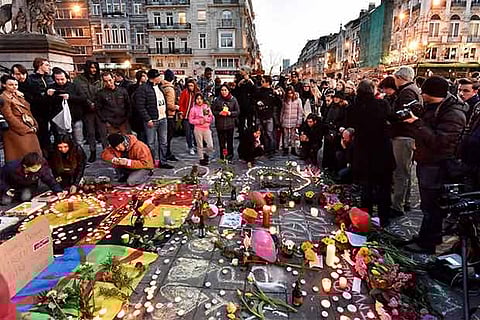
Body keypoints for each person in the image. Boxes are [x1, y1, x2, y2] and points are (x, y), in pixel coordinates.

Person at [404, 76, 467, 253]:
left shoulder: (453, 113)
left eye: (423, 92)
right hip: (428, 162)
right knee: (428, 206)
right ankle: (426, 236)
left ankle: (428, 243)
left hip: (437, 165)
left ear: (431, 94)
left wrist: (417, 123)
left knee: (432, 207)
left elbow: (441, 142)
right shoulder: (435, 107)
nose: (421, 94)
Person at [347, 80, 396, 227]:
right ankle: (384, 219)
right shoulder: (381, 105)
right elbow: (390, 118)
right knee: (383, 187)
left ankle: (365, 220)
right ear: (372, 90)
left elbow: (350, 122)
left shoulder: (353, 107)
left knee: (366, 187)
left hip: (364, 151)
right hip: (381, 151)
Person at [391, 66, 423, 216]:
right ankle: (406, 201)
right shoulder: (412, 89)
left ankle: (398, 205)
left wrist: (391, 119)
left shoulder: (407, 91)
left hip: (404, 135)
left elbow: (406, 114)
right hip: (408, 134)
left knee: (401, 172)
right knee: (406, 171)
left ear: (400, 78)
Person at [135, 69, 173, 169]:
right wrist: (148, 119)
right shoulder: (143, 89)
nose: (161, 78)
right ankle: (150, 162)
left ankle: (163, 161)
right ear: (154, 78)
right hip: (152, 120)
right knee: (151, 143)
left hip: (163, 118)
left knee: (163, 142)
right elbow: (140, 106)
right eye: (159, 76)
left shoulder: (160, 87)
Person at [0, 76, 42, 162]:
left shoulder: (17, 95)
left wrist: (34, 124)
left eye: (16, 84)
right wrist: (25, 129)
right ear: (4, 85)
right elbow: (9, 116)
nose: (14, 87)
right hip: (16, 130)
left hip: (27, 125)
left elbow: (27, 109)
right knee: (21, 156)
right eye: (11, 85)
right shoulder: (3, 98)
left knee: (32, 154)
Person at [73, 61, 106, 163]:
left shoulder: (100, 79)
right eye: (91, 68)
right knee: (90, 133)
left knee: (103, 132)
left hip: (100, 109)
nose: (93, 70)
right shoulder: (78, 80)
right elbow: (80, 93)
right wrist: (89, 103)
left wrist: (97, 104)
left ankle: (106, 152)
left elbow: (103, 92)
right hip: (87, 110)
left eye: (95, 68)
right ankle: (93, 151)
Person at [47, 67, 86, 145]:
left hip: (75, 117)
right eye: (57, 80)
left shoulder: (74, 86)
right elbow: (47, 103)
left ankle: (79, 156)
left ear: (66, 77)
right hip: (60, 119)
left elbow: (83, 98)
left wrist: (70, 97)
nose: (60, 81)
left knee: (78, 141)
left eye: (62, 79)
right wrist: (48, 95)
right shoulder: (51, 87)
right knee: (63, 141)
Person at [27, 57, 54, 152]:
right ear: (39, 66)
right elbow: (31, 96)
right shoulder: (31, 79)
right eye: (46, 65)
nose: (49, 67)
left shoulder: (50, 78)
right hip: (39, 111)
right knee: (42, 133)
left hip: (51, 109)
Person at [253, 75, 281, 156]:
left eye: (263, 81)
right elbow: (254, 100)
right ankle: (265, 149)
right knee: (262, 134)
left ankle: (271, 150)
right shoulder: (258, 91)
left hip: (269, 116)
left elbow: (279, 103)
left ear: (268, 83)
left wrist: (277, 95)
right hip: (260, 115)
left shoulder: (272, 92)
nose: (261, 83)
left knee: (269, 134)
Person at [212, 84, 239, 161]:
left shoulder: (233, 100)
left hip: (230, 124)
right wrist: (218, 113)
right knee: (221, 142)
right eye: (222, 90)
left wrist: (230, 113)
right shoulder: (217, 100)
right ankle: (223, 155)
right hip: (220, 124)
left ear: (228, 91)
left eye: (225, 90)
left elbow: (237, 111)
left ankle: (230, 155)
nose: (223, 92)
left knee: (230, 141)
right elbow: (213, 110)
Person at [188, 93, 214, 165]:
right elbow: (190, 120)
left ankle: (206, 154)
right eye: (197, 99)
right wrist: (199, 121)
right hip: (198, 129)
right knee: (200, 145)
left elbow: (211, 117)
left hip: (206, 128)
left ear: (203, 100)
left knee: (210, 145)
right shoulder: (193, 109)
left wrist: (207, 120)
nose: (199, 100)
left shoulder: (206, 107)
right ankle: (201, 159)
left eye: (200, 99)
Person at [178, 78, 199, 155]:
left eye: (192, 86)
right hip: (186, 116)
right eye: (189, 85)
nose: (190, 87)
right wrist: (181, 113)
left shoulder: (197, 93)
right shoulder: (184, 92)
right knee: (188, 133)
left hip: (195, 117)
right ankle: (190, 147)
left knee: (195, 133)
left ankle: (197, 146)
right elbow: (181, 103)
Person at [280, 86, 303, 156]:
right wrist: (281, 119)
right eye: (288, 93)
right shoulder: (284, 100)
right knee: (286, 136)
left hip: (294, 120)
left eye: (291, 93)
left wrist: (299, 121)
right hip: (286, 119)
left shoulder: (298, 100)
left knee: (293, 136)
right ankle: (286, 149)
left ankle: (293, 149)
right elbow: (282, 111)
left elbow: (300, 111)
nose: (290, 95)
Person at [162, 69, 179, 162]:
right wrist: (176, 107)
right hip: (170, 115)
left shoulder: (163, 86)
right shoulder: (170, 88)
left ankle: (166, 153)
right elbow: (169, 104)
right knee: (168, 136)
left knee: (165, 137)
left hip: (164, 115)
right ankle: (167, 154)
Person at [234, 65, 256, 139]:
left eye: (242, 70)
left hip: (249, 104)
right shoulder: (239, 80)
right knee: (241, 121)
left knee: (250, 121)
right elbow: (236, 91)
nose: (241, 71)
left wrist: (250, 81)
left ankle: (250, 134)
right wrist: (239, 84)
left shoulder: (252, 80)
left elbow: (255, 90)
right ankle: (241, 135)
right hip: (241, 104)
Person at [128, 70, 148, 143]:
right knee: (141, 135)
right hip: (136, 114)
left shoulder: (147, 87)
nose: (146, 78)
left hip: (144, 114)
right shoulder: (132, 87)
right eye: (144, 76)